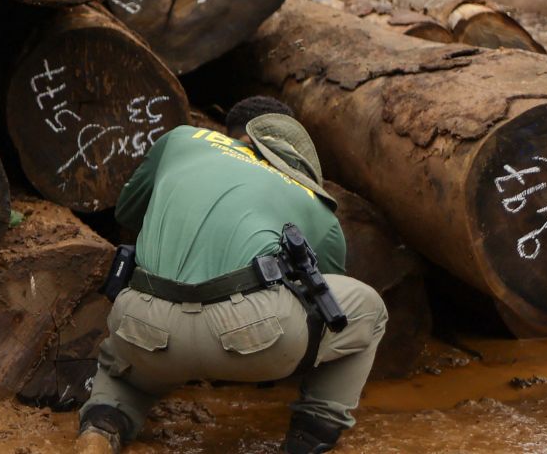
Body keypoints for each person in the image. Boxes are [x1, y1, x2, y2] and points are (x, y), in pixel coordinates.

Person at [76, 96, 388, 454]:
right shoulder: (314, 202)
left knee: (125, 360)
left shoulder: (182, 140)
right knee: (368, 309)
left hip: (146, 327)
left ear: (236, 135)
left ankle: (101, 424)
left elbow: (128, 212)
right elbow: (326, 303)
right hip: (251, 338)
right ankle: (308, 440)